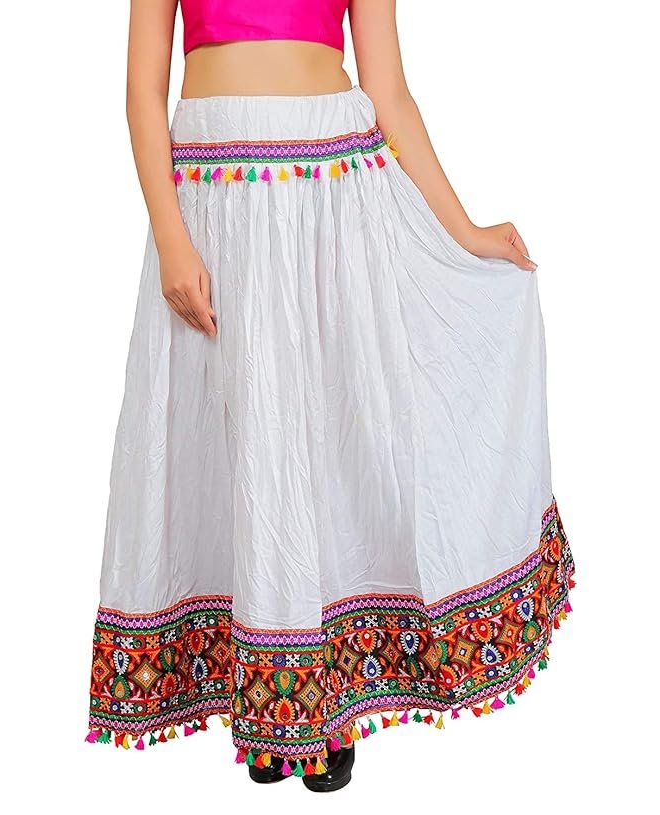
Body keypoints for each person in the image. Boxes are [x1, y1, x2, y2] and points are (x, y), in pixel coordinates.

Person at [85, 0, 575, 793]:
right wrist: (172, 237)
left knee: (329, 441)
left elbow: (389, 91)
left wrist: (463, 230)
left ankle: (324, 706)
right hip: (218, 201)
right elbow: (143, 89)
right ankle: (268, 695)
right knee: (244, 444)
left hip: (333, 196)